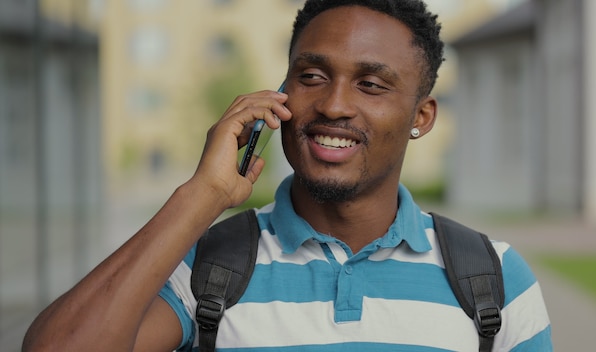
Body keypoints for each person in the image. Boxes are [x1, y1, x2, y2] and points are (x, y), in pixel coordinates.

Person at [23, 0, 552, 351]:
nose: (334, 104)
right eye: (312, 76)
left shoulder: (497, 282)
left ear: (421, 116)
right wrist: (203, 195)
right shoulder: (206, 267)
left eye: (371, 84)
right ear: (279, 96)